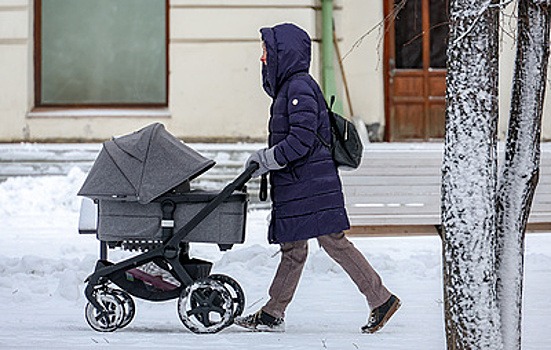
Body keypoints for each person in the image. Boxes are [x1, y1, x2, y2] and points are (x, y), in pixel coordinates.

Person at [234, 23, 400, 334]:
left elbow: (302, 139)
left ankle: (381, 298)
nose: (263, 58)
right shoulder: (292, 88)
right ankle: (273, 312)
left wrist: (267, 159)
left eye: (267, 51)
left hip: (309, 185)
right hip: (302, 185)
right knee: (294, 249)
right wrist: (267, 159)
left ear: (285, 54)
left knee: (333, 242)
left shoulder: (298, 88)